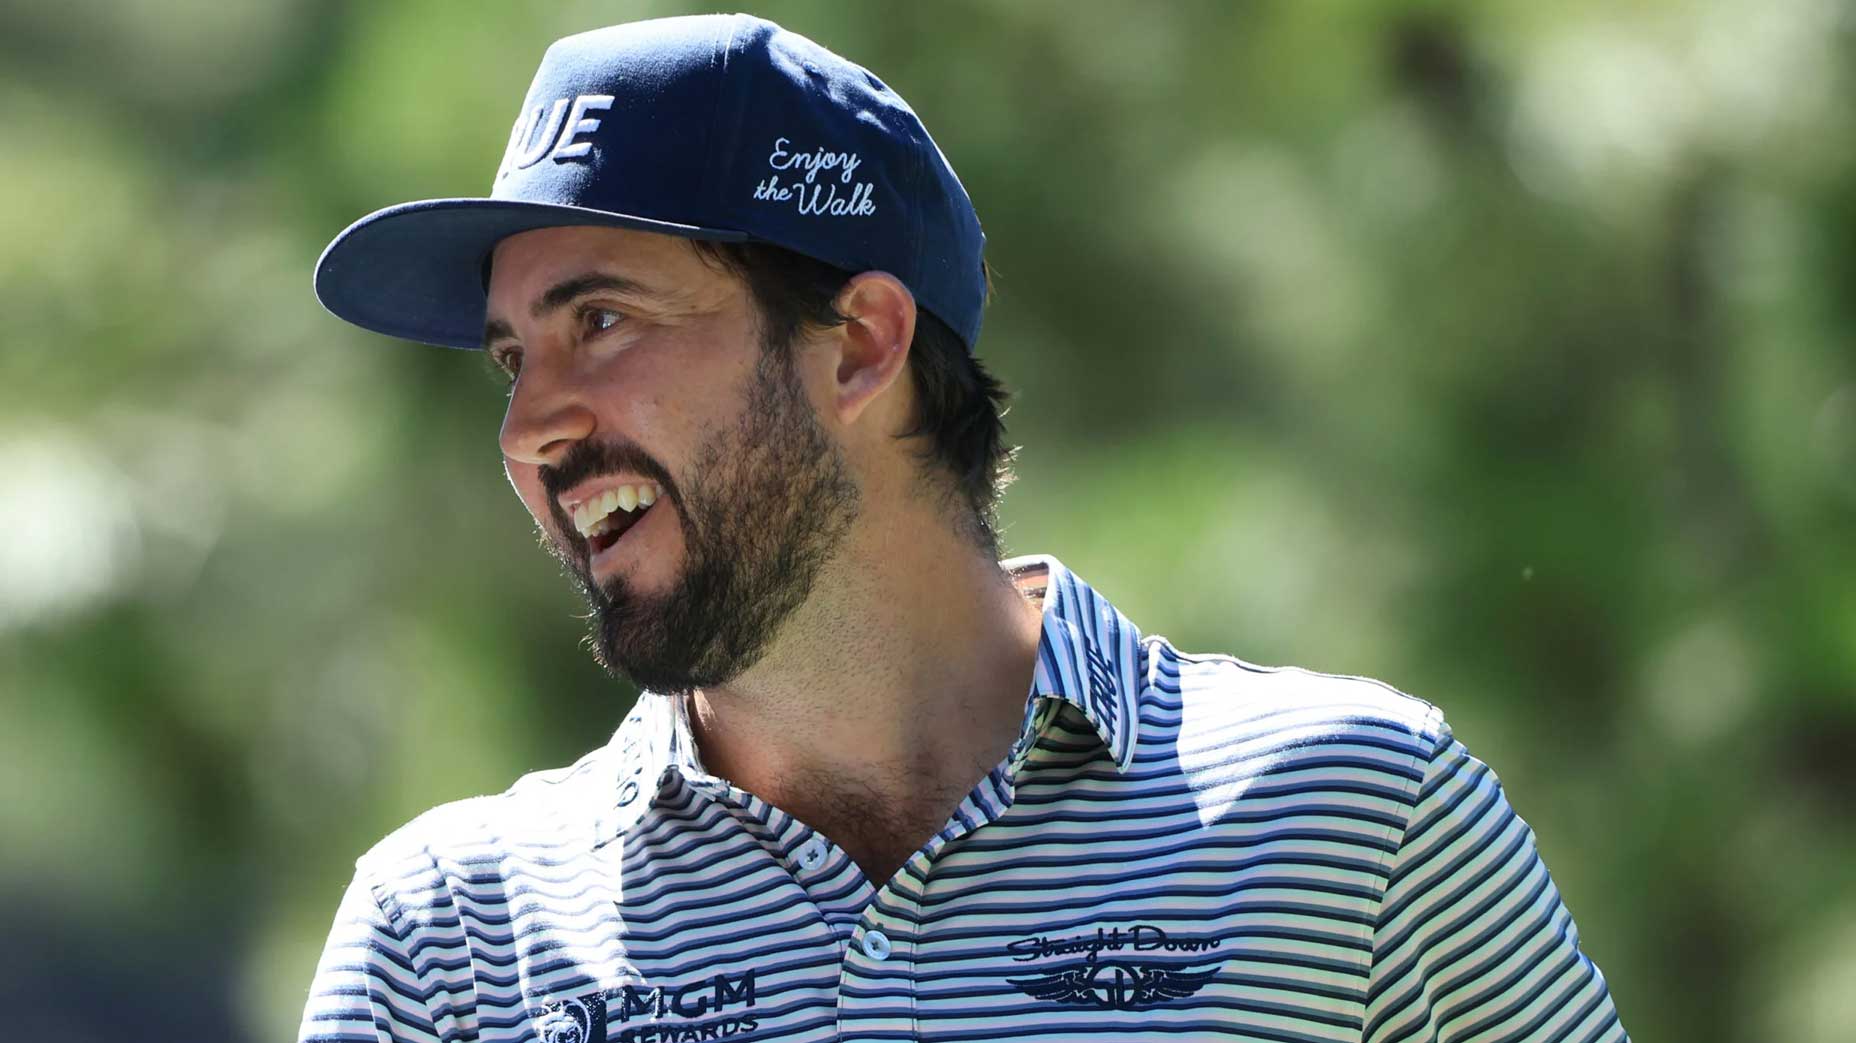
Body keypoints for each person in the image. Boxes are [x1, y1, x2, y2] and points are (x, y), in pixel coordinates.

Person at [301, 14, 1629, 1043]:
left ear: (862, 345)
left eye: (600, 321)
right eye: (511, 359)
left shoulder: (1360, 819)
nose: (528, 427)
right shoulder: (447, 942)